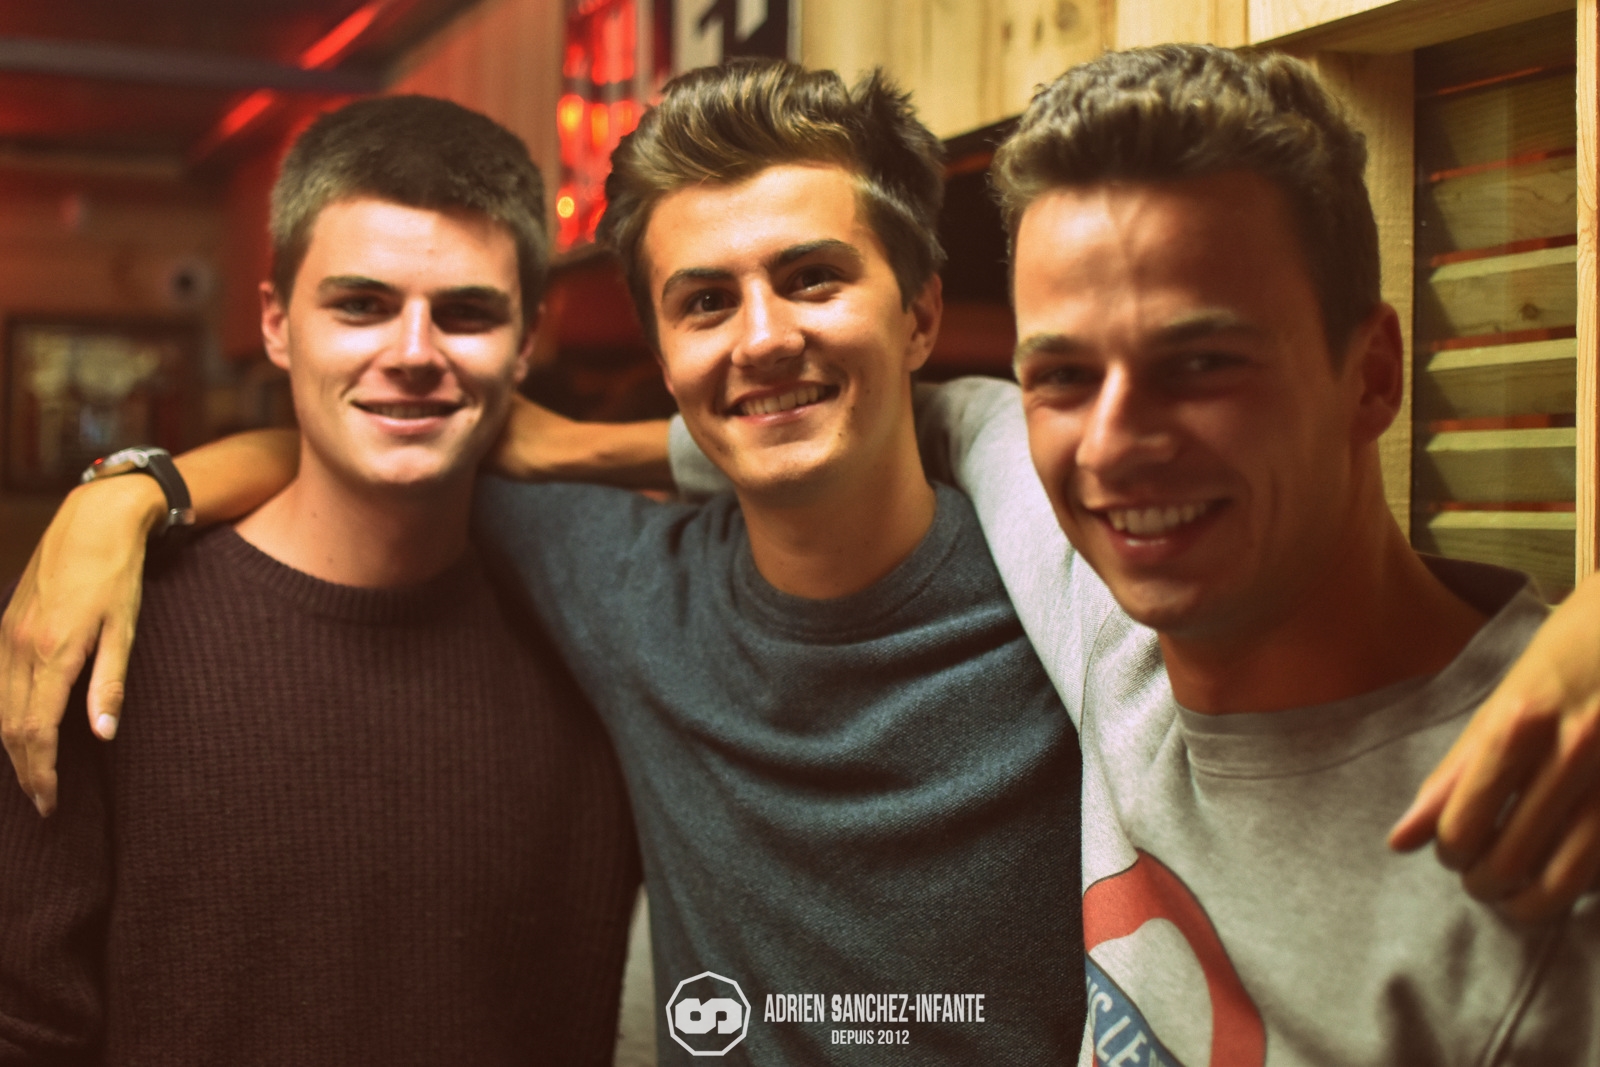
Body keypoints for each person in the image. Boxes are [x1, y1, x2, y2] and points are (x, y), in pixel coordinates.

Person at [3, 64, 1087, 1064]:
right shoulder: (613, 587)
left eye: (811, 279)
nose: (760, 337)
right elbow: (366, 457)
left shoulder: (1065, 594)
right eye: (705, 301)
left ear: (920, 314)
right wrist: (128, 491)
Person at [915, 44, 1600, 1063]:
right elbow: (958, 416)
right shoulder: (1110, 622)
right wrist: (645, 447)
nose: (1110, 445)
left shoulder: (1551, 811)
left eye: (1200, 362)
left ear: (1371, 376)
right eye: (1063, 375)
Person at [0, 95, 645, 1064]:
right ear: (276, 322)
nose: (414, 353)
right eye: (360, 304)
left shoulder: (599, 629)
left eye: (466, 313)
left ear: (526, 343)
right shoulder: (104, 631)